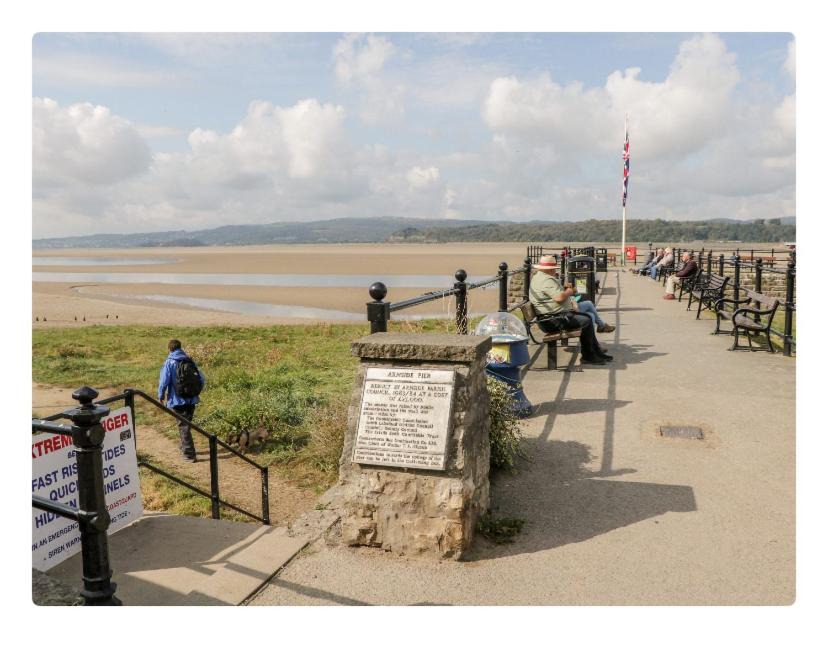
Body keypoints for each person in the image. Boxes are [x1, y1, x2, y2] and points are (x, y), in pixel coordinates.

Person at [529, 255, 612, 366]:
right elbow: (559, 297)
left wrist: (564, 289)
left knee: (587, 317)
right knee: (586, 321)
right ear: (549, 269)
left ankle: (595, 351)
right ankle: (588, 356)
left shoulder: (540, 277)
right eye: (554, 268)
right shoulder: (546, 280)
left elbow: (552, 294)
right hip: (552, 320)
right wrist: (569, 291)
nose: (555, 270)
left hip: (553, 317)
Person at [158, 339, 205, 462]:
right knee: (186, 425)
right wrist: (195, 392)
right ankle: (185, 446)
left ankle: (189, 454)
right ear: (180, 347)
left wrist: (161, 395)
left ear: (169, 349)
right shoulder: (189, 360)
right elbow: (202, 378)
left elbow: (163, 382)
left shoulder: (169, 362)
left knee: (184, 426)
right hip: (192, 399)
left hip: (178, 400)